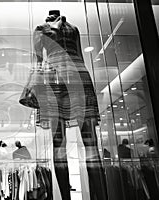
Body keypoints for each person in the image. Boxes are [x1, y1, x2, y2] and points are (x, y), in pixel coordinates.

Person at [32, 10, 108, 200]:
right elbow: (38, 62)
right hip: (55, 79)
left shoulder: (73, 28)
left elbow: (79, 56)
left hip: (75, 77)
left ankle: (102, 196)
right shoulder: (41, 29)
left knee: (89, 143)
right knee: (60, 144)